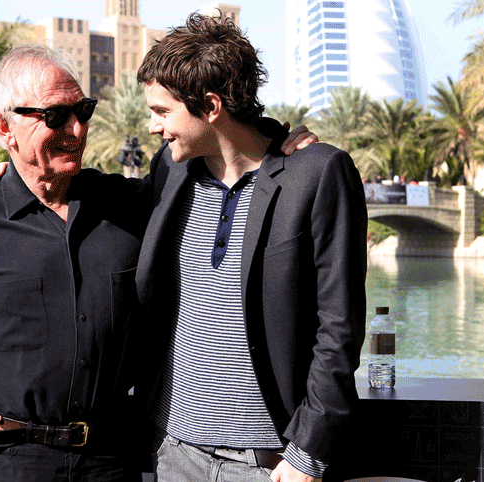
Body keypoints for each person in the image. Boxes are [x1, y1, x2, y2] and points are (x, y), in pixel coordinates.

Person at [0, 43, 315, 481]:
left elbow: (219, 149)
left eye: (82, 111)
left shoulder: (133, 203)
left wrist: (279, 147)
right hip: (9, 463)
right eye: (55, 116)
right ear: (4, 128)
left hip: (116, 459)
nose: (76, 130)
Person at [132, 13, 367, 482]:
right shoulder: (171, 170)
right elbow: (106, 212)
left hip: (268, 464)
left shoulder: (318, 174)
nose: (154, 127)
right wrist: (13, 181)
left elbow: (339, 326)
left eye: (162, 112)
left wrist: (308, 454)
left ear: (211, 106)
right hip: (171, 451)